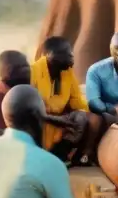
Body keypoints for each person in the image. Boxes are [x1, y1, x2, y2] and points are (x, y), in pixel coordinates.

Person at [31, 36, 100, 165]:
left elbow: (77, 102)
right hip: (39, 119)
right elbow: (30, 108)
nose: (71, 57)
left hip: (60, 120)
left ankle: (63, 156)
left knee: (85, 118)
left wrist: (97, 107)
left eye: (71, 53)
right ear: (49, 55)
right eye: (66, 53)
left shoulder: (67, 73)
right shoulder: (33, 71)